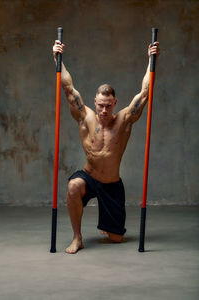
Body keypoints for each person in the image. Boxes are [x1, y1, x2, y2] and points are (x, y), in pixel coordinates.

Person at [53, 39, 160, 254]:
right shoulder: (84, 116)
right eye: (100, 105)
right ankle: (77, 237)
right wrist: (57, 58)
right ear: (94, 102)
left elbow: (145, 92)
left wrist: (152, 59)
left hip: (111, 184)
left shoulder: (124, 119)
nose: (103, 110)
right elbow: (67, 87)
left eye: (108, 105)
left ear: (115, 103)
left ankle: (108, 224)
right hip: (89, 177)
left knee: (116, 239)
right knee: (73, 186)